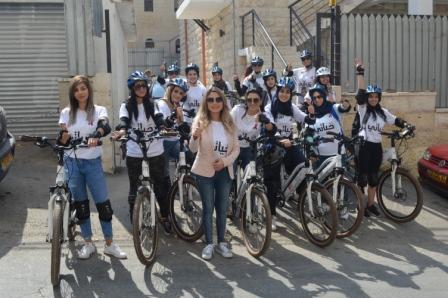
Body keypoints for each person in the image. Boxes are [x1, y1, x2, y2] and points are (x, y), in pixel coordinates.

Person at [58, 75, 126, 259]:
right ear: (73, 93)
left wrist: (96, 135)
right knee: (81, 205)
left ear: (89, 90)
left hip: (92, 163)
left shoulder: (98, 110)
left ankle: (110, 243)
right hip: (72, 163)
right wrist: (63, 135)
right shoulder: (66, 113)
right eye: (77, 89)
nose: (80, 92)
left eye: (83, 88)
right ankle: (88, 243)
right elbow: (62, 138)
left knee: (103, 204)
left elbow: (105, 125)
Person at [111, 71, 172, 234]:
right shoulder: (126, 105)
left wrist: (162, 127)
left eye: (144, 85)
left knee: (160, 188)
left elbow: (159, 119)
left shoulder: (154, 104)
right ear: (132, 88)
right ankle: (135, 218)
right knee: (134, 188)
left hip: (155, 151)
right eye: (138, 86)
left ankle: (165, 217)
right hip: (134, 152)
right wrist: (122, 130)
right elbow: (123, 121)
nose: (141, 89)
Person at [354, 60, 410, 217]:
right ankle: (361, 206)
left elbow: (396, 120)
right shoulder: (363, 109)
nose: (372, 99)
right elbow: (360, 92)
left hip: (375, 147)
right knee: (362, 179)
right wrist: (360, 73)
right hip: (363, 146)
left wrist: (407, 125)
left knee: (373, 179)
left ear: (379, 97)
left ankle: (370, 205)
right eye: (370, 96)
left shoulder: (382, 112)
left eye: (375, 97)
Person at [189, 86, 240, 260]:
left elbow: (236, 149)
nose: (215, 103)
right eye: (210, 100)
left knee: (222, 208)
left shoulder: (229, 122)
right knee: (208, 207)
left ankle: (222, 243)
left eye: (218, 99)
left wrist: (224, 162)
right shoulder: (200, 121)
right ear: (206, 102)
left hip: (224, 171)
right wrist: (194, 136)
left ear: (223, 102)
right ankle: (209, 243)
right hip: (204, 170)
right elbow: (192, 149)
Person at [264, 77, 315, 231]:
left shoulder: (292, 107)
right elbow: (271, 127)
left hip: (289, 143)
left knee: (303, 165)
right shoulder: (269, 107)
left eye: (287, 92)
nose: (284, 94)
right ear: (277, 91)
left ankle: (299, 195)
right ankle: (271, 215)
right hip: (273, 144)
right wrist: (280, 138)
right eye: (282, 91)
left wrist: (311, 114)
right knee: (272, 183)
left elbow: (304, 119)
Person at [307, 83, 351, 169]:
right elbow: (309, 135)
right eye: (314, 97)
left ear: (324, 96)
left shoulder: (333, 108)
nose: (317, 100)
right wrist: (311, 151)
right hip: (320, 156)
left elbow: (343, 108)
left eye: (319, 97)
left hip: (338, 154)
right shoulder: (311, 114)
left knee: (340, 181)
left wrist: (346, 105)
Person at [230, 88, 275, 171]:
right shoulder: (237, 110)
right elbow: (226, 124)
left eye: (256, 100)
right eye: (249, 100)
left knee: (251, 175)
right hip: (233, 146)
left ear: (261, 101)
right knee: (230, 173)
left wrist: (266, 121)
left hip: (250, 148)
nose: (252, 103)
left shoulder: (264, 114)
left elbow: (272, 129)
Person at [157, 78, 190, 177]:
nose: (178, 95)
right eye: (176, 91)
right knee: (164, 175)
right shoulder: (161, 105)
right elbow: (162, 130)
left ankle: (184, 182)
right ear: (170, 90)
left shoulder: (177, 105)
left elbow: (180, 126)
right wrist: (177, 133)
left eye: (181, 93)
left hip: (175, 142)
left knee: (191, 158)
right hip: (163, 144)